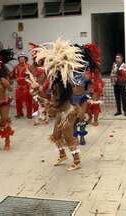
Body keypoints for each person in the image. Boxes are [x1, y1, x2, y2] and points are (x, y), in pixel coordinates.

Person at [30, 38, 84, 171]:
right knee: (56, 135)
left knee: (68, 137)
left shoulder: (62, 84)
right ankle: (62, 155)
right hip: (61, 112)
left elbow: (56, 101)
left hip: (67, 113)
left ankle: (77, 161)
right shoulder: (56, 82)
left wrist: (43, 100)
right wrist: (38, 95)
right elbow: (53, 100)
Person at [84, 44, 104, 126]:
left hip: (95, 86)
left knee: (95, 104)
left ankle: (95, 120)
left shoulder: (96, 64)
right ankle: (90, 117)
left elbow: (98, 76)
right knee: (86, 104)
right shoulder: (85, 63)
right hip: (87, 86)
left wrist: (101, 88)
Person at [12, 53, 35, 119]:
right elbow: (12, 75)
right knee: (18, 100)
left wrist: (32, 85)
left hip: (26, 86)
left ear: (26, 59)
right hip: (19, 86)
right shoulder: (16, 67)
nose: (21, 58)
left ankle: (29, 114)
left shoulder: (29, 66)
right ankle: (19, 113)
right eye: (20, 57)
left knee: (28, 101)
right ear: (18, 59)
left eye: (23, 57)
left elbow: (33, 76)